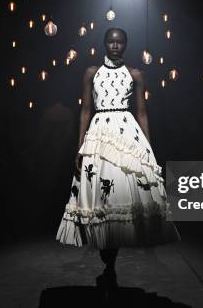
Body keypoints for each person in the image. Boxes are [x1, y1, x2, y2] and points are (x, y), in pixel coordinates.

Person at [56, 28, 180, 289]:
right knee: (101, 196)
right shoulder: (92, 72)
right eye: (111, 41)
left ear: (125, 45)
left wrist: (148, 149)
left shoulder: (136, 75)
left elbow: (143, 112)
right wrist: (80, 147)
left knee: (120, 195)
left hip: (126, 133)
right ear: (104, 43)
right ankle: (108, 262)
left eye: (120, 41)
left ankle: (109, 265)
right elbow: (86, 110)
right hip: (99, 134)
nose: (115, 45)